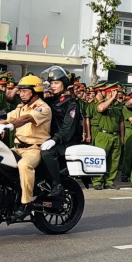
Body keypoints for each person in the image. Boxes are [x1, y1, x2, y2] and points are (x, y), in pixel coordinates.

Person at [0, 75, 52, 220]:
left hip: (34, 149)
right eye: (20, 91)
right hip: (17, 148)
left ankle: (26, 203)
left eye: (24, 90)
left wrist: (10, 126)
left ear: (35, 91)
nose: (20, 93)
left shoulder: (43, 108)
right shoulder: (21, 107)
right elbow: (3, 119)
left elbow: (27, 119)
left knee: (24, 165)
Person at [41, 66, 82, 196]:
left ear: (64, 84)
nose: (53, 86)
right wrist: (41, 92)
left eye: (56, 83)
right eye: (51, 83)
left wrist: (54, 140)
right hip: (53, 139)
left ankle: (56, 184)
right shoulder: (52, 100)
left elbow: (67, 128)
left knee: (47, 153)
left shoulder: (71, 104)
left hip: (67, 142)